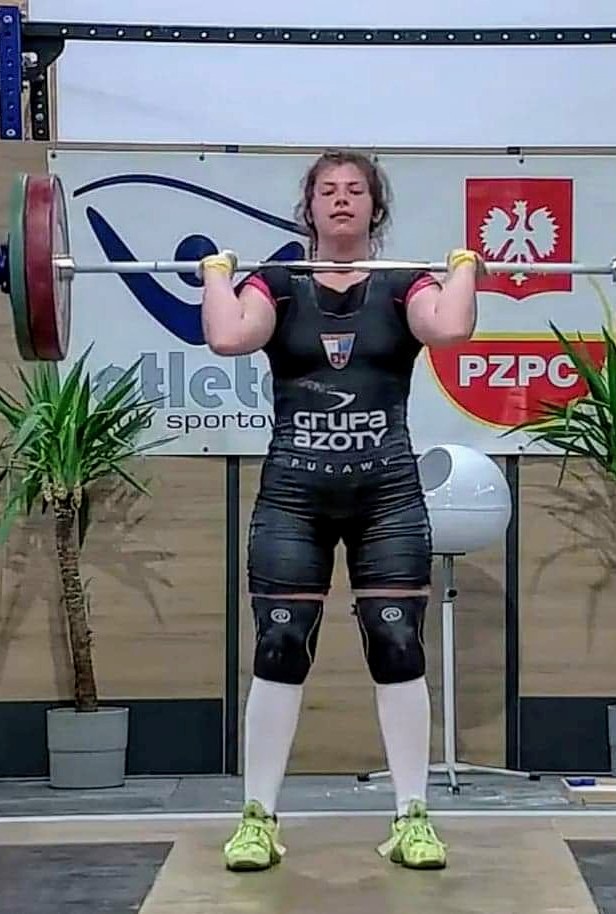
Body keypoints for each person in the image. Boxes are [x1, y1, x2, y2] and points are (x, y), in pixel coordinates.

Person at [199, 150, 481, 872]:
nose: (342, 199)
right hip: (294, 497)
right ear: (311, 207)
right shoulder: (278, 284)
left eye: (356, 189)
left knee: (397, 645)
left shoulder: (403, 284)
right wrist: (217, 276)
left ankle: (412, 817)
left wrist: (464, 269)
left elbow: (449, 329)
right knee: (279, 645)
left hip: (386, 496)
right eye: (328, 190)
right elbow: (229, 336)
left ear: (374, 207)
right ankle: (257, 819)